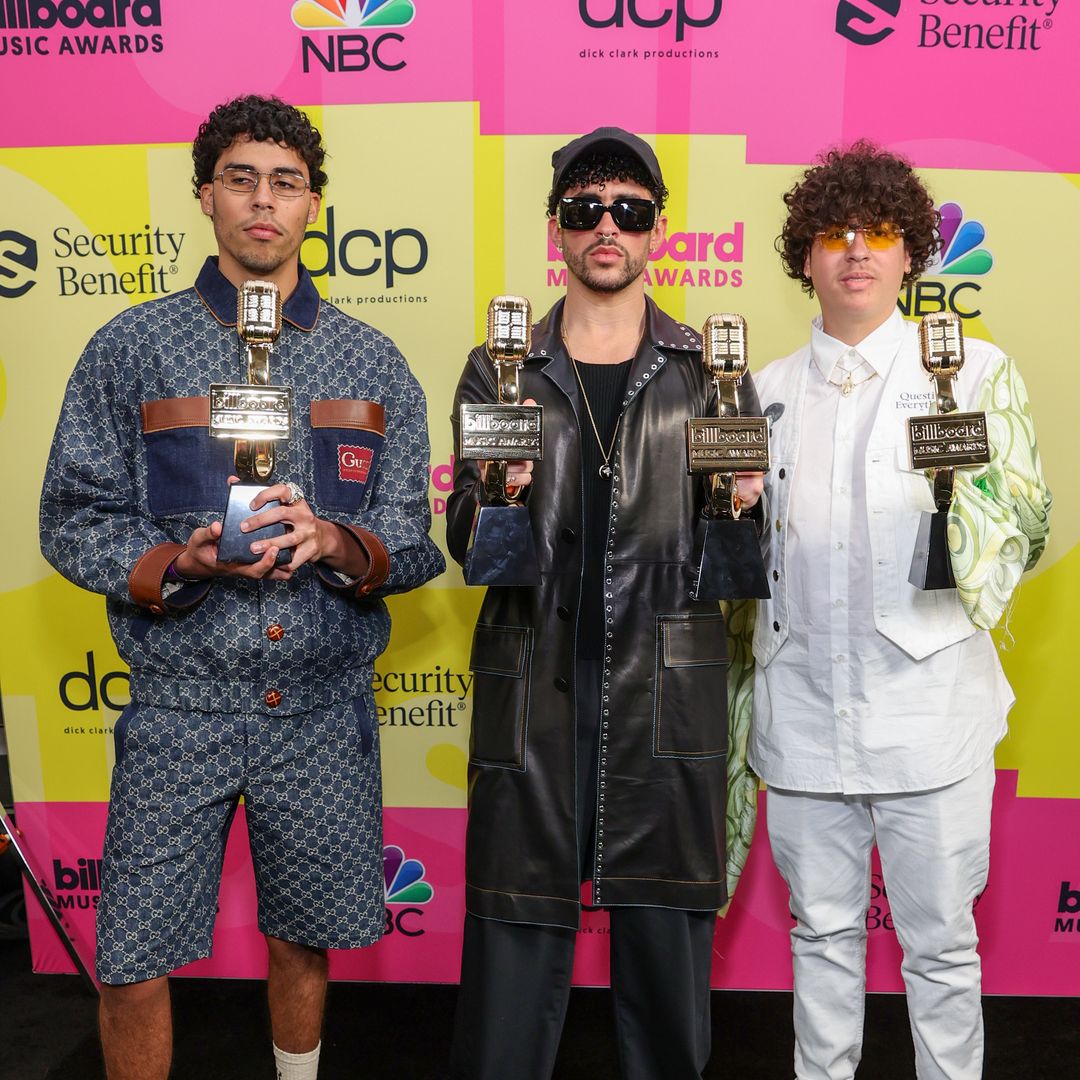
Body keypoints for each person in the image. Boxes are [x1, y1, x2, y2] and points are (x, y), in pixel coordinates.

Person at [39, 94, 444, 1080]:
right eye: (241, 178)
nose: (264, 201)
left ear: (315, 205)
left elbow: (413, 538)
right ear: (206, 195)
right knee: (129, 958)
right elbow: (72, 515)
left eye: (287, 183)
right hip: (181, 706)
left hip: (318, 708)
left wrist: (339, 543)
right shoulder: (131, 348)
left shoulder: (371, 360)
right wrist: (184, 561)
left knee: (305, 937)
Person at [445, 127, 764, 1080]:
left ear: (657, 231)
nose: (606, 226)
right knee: (511, 923)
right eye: (585, 209)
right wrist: (495, 493)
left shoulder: (712, 373)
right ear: (558, 232)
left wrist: (745, 506)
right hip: (534, 675)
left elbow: (738, 565)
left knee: (667, 936)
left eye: (628, 208)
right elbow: (470, 544)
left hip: (666, 682)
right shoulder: (498, 369)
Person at [750, 142, 1051, 1079]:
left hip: (931, 718)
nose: (854, 252)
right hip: (800, 712)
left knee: (943, 950)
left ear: (911, 252)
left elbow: (1028, 528)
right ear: (804, 256)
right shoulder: (759, 395)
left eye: (877, 232)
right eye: (832, 234)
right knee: (821, 938)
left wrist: (966, 523)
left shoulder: (974, 373)